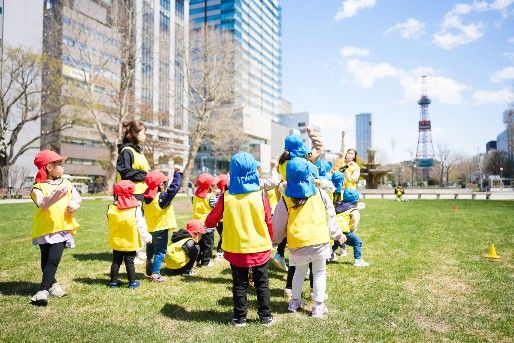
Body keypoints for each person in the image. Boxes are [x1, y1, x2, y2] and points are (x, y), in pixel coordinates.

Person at [205, 152, 274, 327]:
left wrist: (209, 222)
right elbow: (269, 220)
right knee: (262, 283)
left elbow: (211, 219)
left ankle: (239, 318)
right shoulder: (260, 195)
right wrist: (271, 238)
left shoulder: (226, 197)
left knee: (240, 284)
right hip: (260, 246)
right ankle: (265, 317)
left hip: (236, 248)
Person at [273, 157, 345, 318]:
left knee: (299, 272)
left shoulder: (285, 198)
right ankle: (318, 306)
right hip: (319, 241)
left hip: (297, 243)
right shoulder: (320, 193)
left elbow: (278, 222)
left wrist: (275, 240)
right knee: (319, 273)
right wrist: (337, 234)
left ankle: (294, 302)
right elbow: (331, 215)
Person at [30, 150, 81, 306]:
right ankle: (53, 285)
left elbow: (77, 198)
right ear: (48, 168)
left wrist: (73, 205)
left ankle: (42, 291)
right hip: (44, 228)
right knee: (45, 261)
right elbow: (43, 204)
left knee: (53, 260)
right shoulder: (37, 188)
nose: (62, 168)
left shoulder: (67, 183)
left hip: (61, 227)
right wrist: (55, 195)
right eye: (59, 165)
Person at [116, 120, 150, 264]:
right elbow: (125, 171)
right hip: (131, 193)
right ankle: (132, 253)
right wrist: (146, 175)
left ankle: (137, 250)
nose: (145, 135)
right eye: (143, 132)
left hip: (140, 192)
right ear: (134, 134)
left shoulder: (137, 150)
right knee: (133, 222)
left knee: (139, 222)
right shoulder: (126, 151)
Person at [107, 180, 152, 289]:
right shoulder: (135, 208)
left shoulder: (111, 207)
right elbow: (141, 225)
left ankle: (113, 283)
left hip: (116, 240)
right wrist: (147, 238)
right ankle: (132, 283)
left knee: (116, 261)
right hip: (130, 240)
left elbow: (109, 221)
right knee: (129, 262)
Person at [143, 168, 183, 281]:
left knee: (150, 248)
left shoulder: (146, 197)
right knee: (160, 252)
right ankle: (155, 274)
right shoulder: (161, 198)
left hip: (149, 228)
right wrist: (178, 174)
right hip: (160, 229)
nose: (166, 184)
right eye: (165, 182)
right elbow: (174, 189)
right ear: (160, 185)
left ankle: (149, 260)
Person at [331, 175, 369, 267]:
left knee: (337, 242)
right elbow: (355, 221)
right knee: (357, 242)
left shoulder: (339, 205)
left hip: (335, 229)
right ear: (355, 201)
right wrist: (352, 229)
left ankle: (329, 255)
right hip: (344, 230)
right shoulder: (353, 209)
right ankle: (358, 260)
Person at [192, 173, 217, 267]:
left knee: (198, 243)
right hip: (208, 224)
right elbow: (215, 208)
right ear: (210, 186)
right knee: (208, 244)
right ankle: (206, 261)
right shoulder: (211, 197)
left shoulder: (194, 196)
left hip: (196, 224)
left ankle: (197, 260)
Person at [209, 174, 228, 260]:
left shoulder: (219, 193)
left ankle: (224, 251)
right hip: (222, 219)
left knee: (224, 236)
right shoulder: (221, 194)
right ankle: (220, 252)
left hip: (221, 219)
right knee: (223, 236)